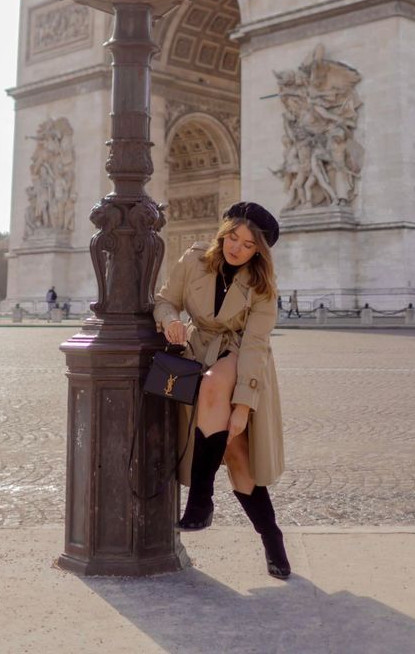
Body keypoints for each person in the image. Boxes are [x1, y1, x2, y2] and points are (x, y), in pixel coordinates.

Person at [154, 201, 290, 580]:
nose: (237, 248)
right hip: (198, 352)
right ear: (223, 232)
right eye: (233, 237)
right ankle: (272, 537)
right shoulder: (194, 259)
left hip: (241, 357)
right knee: (237, 455)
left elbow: (256, 345)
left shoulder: (263, 286)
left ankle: (200, 499)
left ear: (258, 252)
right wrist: (169, 321)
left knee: (216, 386)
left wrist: (244, 407)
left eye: (248, 245)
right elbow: (166, 300)